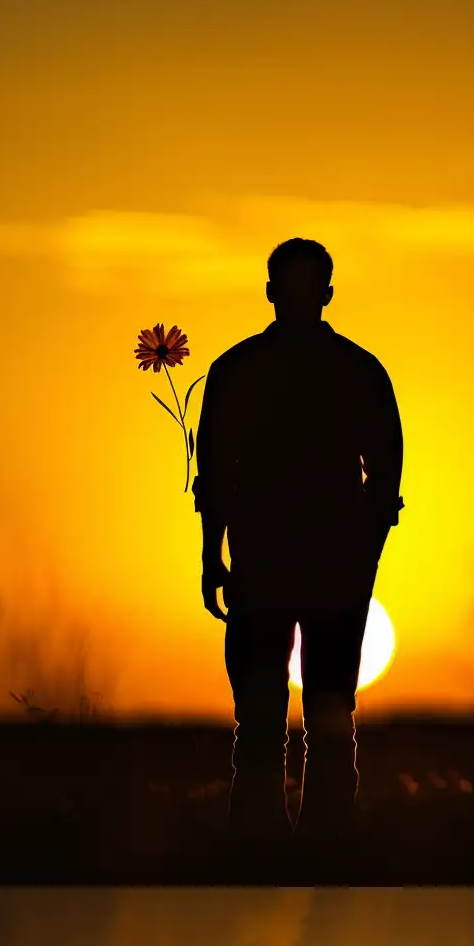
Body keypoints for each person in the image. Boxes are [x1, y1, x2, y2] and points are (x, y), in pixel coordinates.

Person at [194, 240, 403, 841]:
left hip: (280, 565)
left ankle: (276, 852)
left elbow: (215, 478)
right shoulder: (358, 370)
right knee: (313, 717)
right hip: (308, 568)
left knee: (273, 718)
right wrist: (363, 562)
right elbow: (385, 482)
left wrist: (213, 554)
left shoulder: (238, 369)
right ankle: (317, 852)